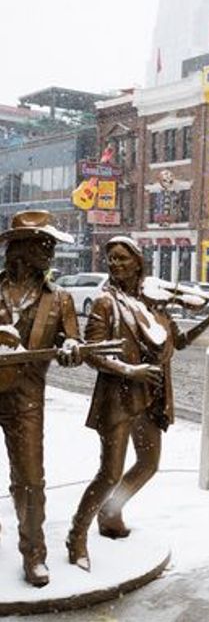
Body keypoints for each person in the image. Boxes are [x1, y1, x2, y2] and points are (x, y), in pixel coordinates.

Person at [66, 236, 209, 572]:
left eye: (122, 258)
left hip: (152, 395)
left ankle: (111, 511)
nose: (116, 263)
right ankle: (77, 534)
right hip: (118, 396)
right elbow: (92, 353)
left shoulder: (154, 303)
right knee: (109, 473)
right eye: (112, 258)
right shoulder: (105, 303)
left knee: (148, 463)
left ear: (138, 262)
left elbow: (179, 342)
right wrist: (130, 370)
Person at [0, 210, 82, 587]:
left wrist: (72, 349)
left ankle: (34, 554)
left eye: (51, 245)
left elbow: (73, 340)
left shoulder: (60, 299)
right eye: (43, 244)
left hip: (27, 400)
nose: (50, 252)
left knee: (31, 480)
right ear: (20, 247)